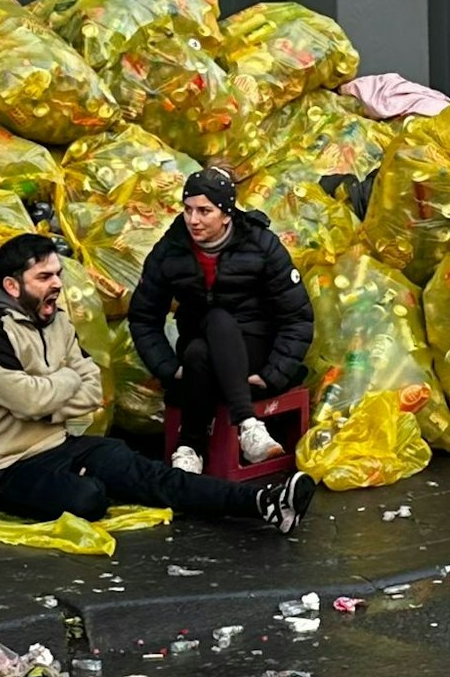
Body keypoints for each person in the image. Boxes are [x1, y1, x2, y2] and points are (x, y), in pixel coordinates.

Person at [0, 233, 315, 532]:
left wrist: (47, 401)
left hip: (59, 443)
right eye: (44, 278)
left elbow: (93, 390)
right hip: (1, 466)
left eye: (58, 274)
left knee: (151, 474)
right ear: (13, 286)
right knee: (88, 499)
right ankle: (89, 481)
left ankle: (263, 502)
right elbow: (27, 400)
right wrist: (61, 383)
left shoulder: (57, 320)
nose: (58, 285)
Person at [129, 166, 315, 474]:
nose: (193, 220)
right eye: (188, 210)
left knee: (215, 323)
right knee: (200, 347)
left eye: (205, 211)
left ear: (227, 214)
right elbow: (143, 316)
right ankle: (248, 425)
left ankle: (190, 447)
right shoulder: (171, 249)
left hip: (254, 353)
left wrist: (274, 374)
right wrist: (166, 367)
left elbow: (297, 317)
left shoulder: (261, 245)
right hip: (197, 358)